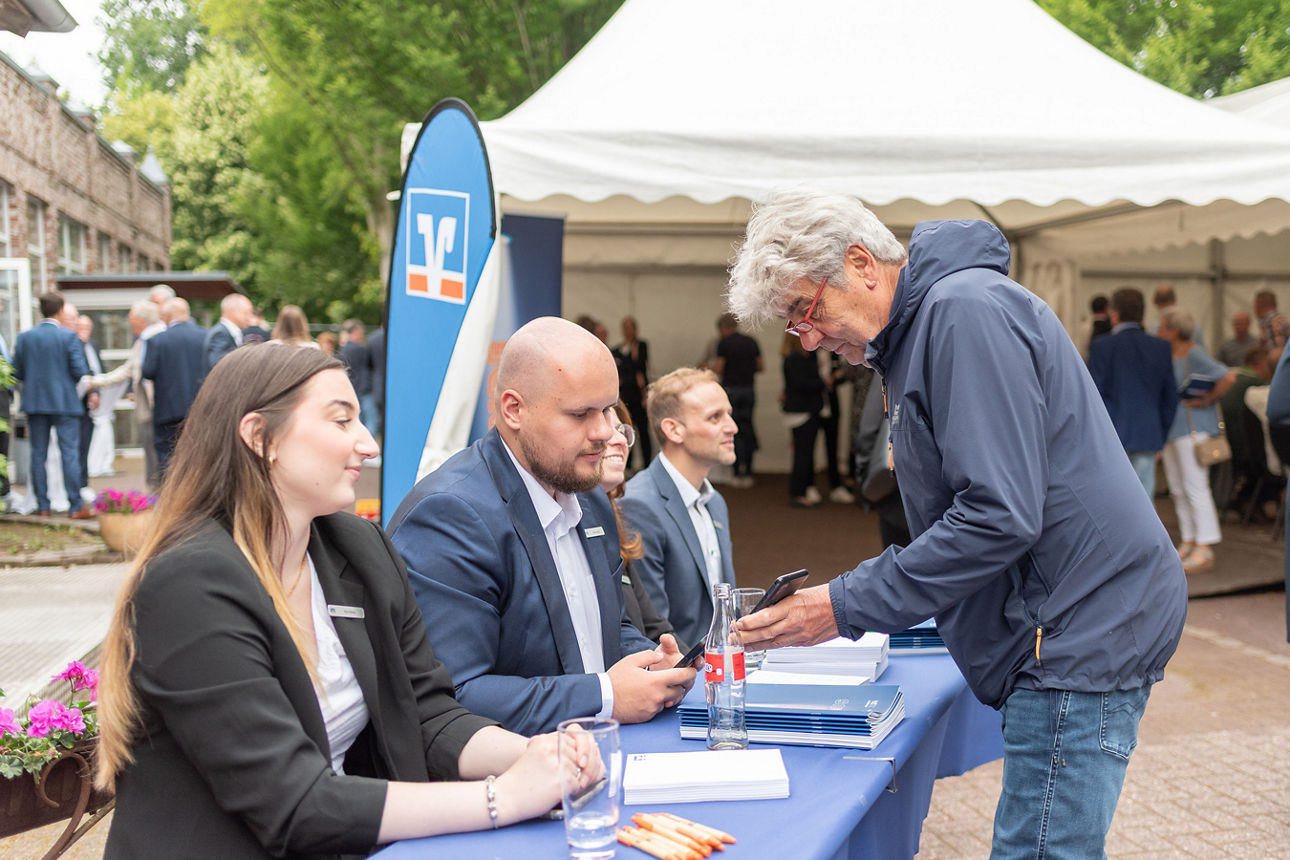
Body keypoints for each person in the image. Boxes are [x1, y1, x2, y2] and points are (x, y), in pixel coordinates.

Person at [726, 189, 1187, 858]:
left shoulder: (960, 314)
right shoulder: (930, 325)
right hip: (1068, 620)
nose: (810, 337)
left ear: (861, 263)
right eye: (794, 326)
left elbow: (998, 515)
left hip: (1076, 627)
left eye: (807, 310)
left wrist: (844, 604)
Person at [95, 345, 588, 858]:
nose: (368, 443)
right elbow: (295, 803)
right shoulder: (189, 585)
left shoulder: (357, 548)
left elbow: (428, 715)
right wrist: (500, 798)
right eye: (341, 420)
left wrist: (539, 754)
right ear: (260, 437)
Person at [387, 317, 695, 735]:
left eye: (607, 409)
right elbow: (453, 696)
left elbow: (605, 627)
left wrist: (650, 664)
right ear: (514, 409)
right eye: (581, 413)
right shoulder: (451, 515)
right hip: (508, 782)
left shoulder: (586, 493)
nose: (605, 432)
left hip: (595, 751)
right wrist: (605, 696)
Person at [619, 367, 739, 649]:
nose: (732, 426)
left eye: (729, 414)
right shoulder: (639, 505)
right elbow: (654, 630)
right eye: (715, 417)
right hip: (681, 677)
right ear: (673, 430)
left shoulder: (714, 502)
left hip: (720, 666)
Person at [1157, 309, 1236, 575]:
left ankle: (1204, 545)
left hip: (1192, 431)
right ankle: (1189, 540)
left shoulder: (1193, 352)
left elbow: (1227, 376)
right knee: (1179, 488)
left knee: (1195, 486)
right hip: (1175, 431)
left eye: (1163, 328)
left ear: (1174, 331)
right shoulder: (1172, 354)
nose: (1159, 332)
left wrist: (1207, 399)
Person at [602, 400, 683, 650]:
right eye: (606, 431)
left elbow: (655, 628)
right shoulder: (636, 506)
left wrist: (706, 664)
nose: (619, 441)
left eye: (621, 431)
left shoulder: (610, 525)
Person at [1088, 288, 1179, 496]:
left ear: (1115, 314)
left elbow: (1094, 396)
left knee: (1113, 496)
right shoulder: (1160, 347)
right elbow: (1170, 398)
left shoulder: (1102, 346)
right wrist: (1161, 433)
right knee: (1145, 497)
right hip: (1148, 432)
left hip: (1110, 432)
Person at [11, 291, 91, 518]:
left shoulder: (25, 337)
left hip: (35, 403)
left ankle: (43, 506)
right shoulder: (68, 337)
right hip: (65, 402)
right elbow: (79, 370)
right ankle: (75, 507)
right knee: (70, 454)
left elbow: (17, 371)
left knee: (38, 454)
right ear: (60, 310)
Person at [88, 301, 161, 487]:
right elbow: (128, 370)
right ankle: (154, 491)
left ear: (140, 320)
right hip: (147, 406)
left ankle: (159, 490)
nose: (129, 323)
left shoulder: (158, 338)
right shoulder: (142, 341)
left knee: (157, 449)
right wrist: (94, 381)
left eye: (131, 318)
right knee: (150, 448)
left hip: (159, 405)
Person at [143, 297, 206, 474]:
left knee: (166, 453)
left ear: (168, 315)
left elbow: (147, 371)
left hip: (167, 408)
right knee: (198, 450)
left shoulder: (157, 340)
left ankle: (169, 494)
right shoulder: (205, 336)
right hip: (199, 406)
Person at [712, 313, 762, 487]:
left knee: (732, 431)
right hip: (749, 389)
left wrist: (706, 367)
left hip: (732, 391)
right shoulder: (751, 342)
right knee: (748, 429)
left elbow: (718, 368)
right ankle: (748, 471)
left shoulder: (724, 344)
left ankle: (735, 472)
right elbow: (760, 366)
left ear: (723, 328)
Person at [780, 333, 826, 507]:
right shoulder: (794, 359)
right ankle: (798, 492)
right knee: (802, 455)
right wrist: (823, 382)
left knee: (805, 454)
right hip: (801, 412)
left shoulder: (803, 358)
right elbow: (800, 383)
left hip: (806, 411)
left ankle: (804, 488)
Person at [613, 316, 652, 471]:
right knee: (626, 429)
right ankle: (627, 464)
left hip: (637, 395)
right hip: (625, 396)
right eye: (625, 327)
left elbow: (640, 366)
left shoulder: (640, 345)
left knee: (643, 431)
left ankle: (646, 463)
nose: (628, 330)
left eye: (631, 327)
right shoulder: (617, 349)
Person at [338, 320, 376, 436]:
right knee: (371, 421)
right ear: (355, 332)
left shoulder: (342, 350)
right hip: (365, 390)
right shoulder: (361, 349)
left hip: (352, 389)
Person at [203, 293, 253, 375]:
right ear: (231, 311)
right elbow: (218, 365)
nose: (249, 317)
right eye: (246, 313)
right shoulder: (219, 334)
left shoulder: (231, 332)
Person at [1254, 290, 1290, 365]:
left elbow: (1276, 353)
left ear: (1259, 305)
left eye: (1254, 306)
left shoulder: (1269, 322)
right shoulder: (1280, 319)